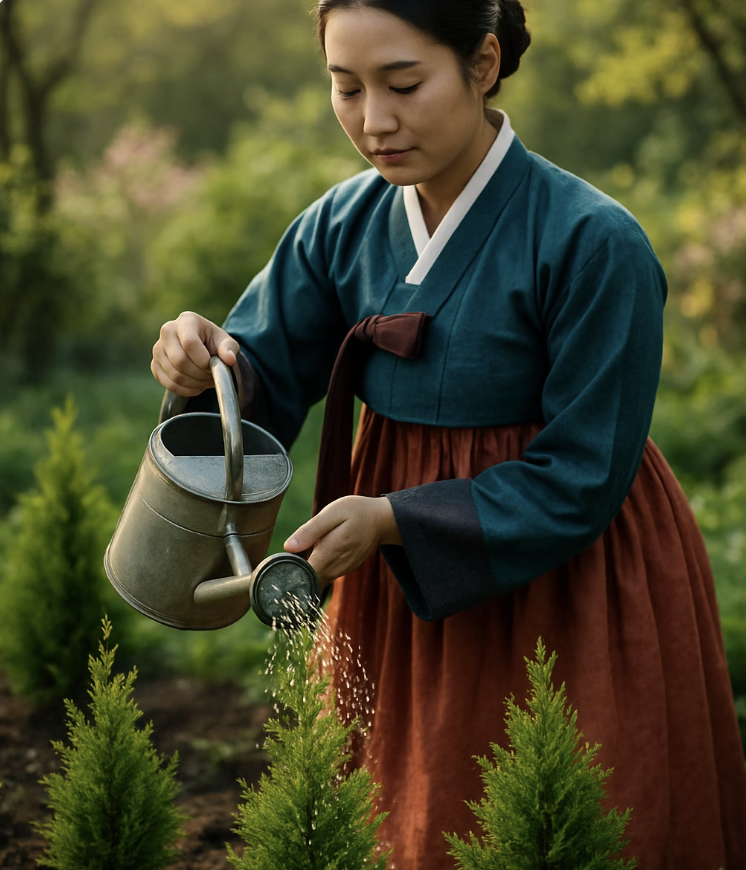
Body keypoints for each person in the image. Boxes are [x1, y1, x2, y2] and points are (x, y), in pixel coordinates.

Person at [151, 1, 746, 867]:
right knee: (409, 808)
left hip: (562, 571)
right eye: (344, 88)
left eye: (402, 84)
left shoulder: (592, 241)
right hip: (390, 567)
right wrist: (201, 366)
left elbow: (582, 474)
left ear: (483, 63)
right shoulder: (339, 227)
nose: (373, 121)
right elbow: (260, 386)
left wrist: (396, 519)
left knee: (573, 812)